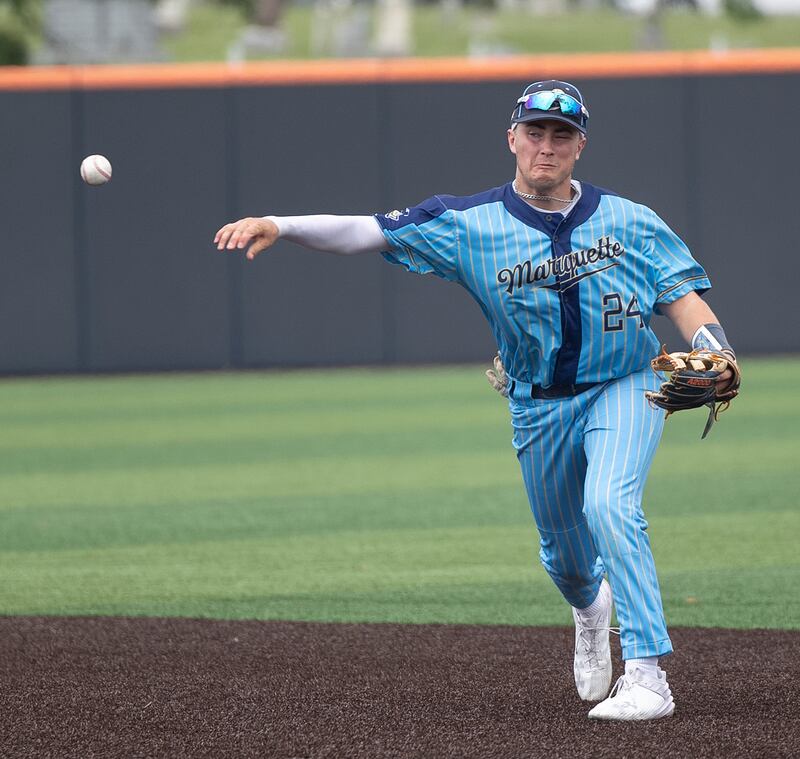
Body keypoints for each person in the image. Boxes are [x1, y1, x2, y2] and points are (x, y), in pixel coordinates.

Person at [213, 79, 738, 721]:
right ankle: (590, 608)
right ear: (512, 138)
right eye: (536, 132)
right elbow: (364, 232)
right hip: (537, 404)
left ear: (581, 146)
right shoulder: (466, 224)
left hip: (623, 384)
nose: (547, 146)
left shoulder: (631, 220)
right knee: (566, 560)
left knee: (611, 503)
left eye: (562, 135)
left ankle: (649, 675)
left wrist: (716, 348)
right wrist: (280, 224)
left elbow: (682, 298)